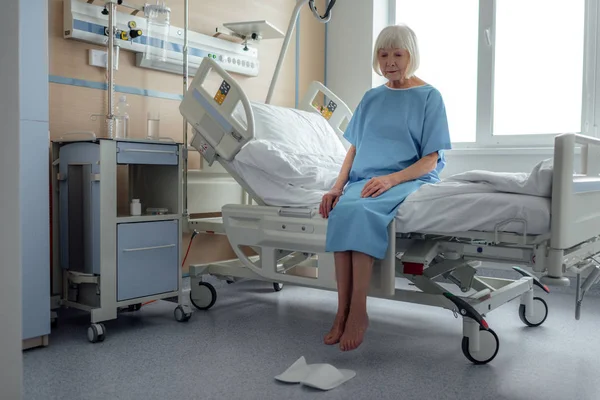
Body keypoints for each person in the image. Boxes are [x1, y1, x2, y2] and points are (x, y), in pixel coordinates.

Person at [319, 24, 452, 352]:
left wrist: (391, 179)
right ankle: (342, 311)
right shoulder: (372, 97)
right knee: (344, 209)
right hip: (365, 179)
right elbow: (354, 148)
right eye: (383, 54)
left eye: (397, 54)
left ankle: (358, 312)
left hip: (406, 177)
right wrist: (337, 187)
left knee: (362, 210)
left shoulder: (429, 97)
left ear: (411, 56)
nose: (390, 61)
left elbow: (431, 159)